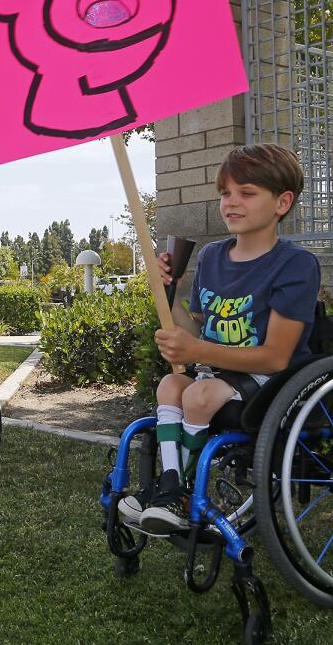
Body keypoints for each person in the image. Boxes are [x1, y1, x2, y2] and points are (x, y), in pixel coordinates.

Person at [120, 143, 320, 534]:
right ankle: (169, 488)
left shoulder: (295, 264)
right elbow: (196, 328)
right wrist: (167, 292)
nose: (231, 202)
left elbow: (277, 357)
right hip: (219, 378)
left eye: (247, 193)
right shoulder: (212, 256)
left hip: (271, 381)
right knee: (171, 383)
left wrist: (198, 351)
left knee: (197, 393)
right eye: (225, 193)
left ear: (282, 202)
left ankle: (178, 494)